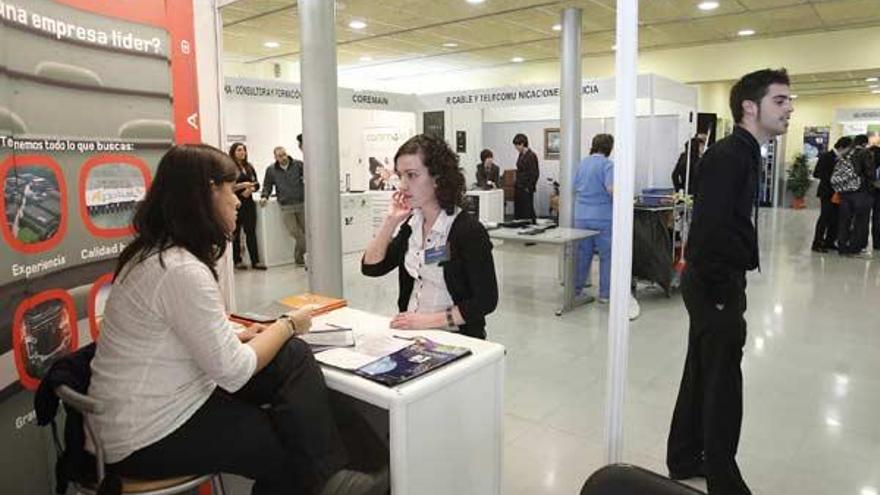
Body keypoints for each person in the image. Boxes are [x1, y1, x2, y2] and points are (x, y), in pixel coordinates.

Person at [88, 144, 388, 495]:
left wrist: (249, 334)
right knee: (287, 443)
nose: (237, 201)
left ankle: (336, 475)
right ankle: (332, 479)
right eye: (231, 191)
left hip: (144, 414)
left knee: (292, 358)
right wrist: (287, 324)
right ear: (206, 194)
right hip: (147, 435)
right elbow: (234, 371)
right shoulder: (180, 270)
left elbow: (184, 336)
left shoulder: (155, 256)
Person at [667, 68, 794, 495]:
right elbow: (710, 230)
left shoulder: (742, 152)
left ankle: (685, 457)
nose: (789, 108)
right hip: (714, 284)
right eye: (780, 101)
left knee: (702, 371)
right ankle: (723, 479)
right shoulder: (730, 155)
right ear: (749, 107)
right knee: (723, 385)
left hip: (713, 281)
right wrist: (722, 293)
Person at [362, 134, 498, 340]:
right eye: (401, 176)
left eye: (412, 175)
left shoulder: (467, 230)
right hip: (411, 335)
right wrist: (390, 221)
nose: (403, 185)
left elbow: (486, 300)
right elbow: (371, 267)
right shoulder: (411, 226)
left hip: (455, 338)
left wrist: (426, 321)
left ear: (438, 178)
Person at [573, 134, 615, 305]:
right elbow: (611, 189)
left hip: (581, 216)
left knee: (583, 255)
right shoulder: (608, 165)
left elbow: (575, 186)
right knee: (606, 256)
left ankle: (576, 291)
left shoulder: (582, 163)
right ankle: (605, 294)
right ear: (609, 148)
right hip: (602, 216)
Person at [261, 135, 306, 266]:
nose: (283, 157)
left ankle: (300, 260)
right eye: (279, 156)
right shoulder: (271, 170)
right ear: (275, 157)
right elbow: (267, 185)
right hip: (286, 207)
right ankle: (300, 258)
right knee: (297, 233)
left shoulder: (298, 165)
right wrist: (265, 196)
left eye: (284, 154)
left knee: (307, 232)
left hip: (301, 203)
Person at [228, 142, 266, 270]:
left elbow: (256, 183)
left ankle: (255, 261)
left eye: (243, 150)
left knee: (251, 232)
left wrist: (251, 189)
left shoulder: (249, 167)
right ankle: (237, 260)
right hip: (236, 204)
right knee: (236, 233)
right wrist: (243, 187)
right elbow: (228, 187)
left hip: (249, 203)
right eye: (239, 150)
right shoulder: (230, 168)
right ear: (233, 152)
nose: (242, 152)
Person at [811, 136, 852, 252]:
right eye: (847, 149)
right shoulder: (826, 156)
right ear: (841, 147)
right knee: (824, 218)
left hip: (838, 193)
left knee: (836, 219)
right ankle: (817, 243)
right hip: (827, 192)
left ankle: (829, 242)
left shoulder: (844, 159)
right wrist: (833, 177)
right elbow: (816, 173)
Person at [836, 134, 873, 256]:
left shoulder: (846, 153)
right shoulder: (865, 153)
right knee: (860, 221)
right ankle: (854, 247)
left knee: (844, 220)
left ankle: (842, 246)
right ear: (864, 143)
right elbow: (869, 172)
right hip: (860, 191)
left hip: (845, 191)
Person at [512, 133, 539, 222]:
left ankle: (529, 227)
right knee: (519, 210)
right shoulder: (521, 154)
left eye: (517, 145)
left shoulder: (531, 155)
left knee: (527, 210)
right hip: (519, 186)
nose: (516, 148)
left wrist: (529, 187)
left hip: (526, 188)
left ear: (522, 144)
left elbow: (535, 173)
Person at [867, 131, 880, 250]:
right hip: (877, 192)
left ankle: (860, 243)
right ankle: (877, 243)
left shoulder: (865, 156)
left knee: (862, 218)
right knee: (877, 218)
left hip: (866, 192)